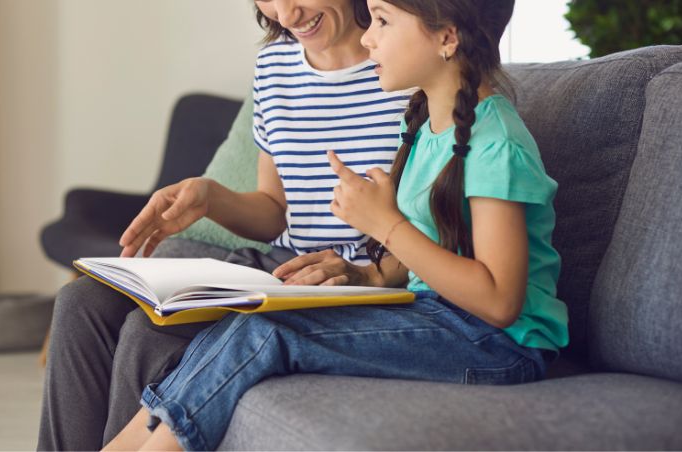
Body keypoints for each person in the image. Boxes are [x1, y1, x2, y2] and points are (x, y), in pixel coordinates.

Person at [103, 0, 569, 450]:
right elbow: (432, 259)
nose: (367, 37)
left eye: (382, 20)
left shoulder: (495, 145)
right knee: (249, 322)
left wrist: (386, 226)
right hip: (441, 317)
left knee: (266, 335)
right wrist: (373, 268)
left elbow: (499, 301)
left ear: (447, 37)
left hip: (498, 346)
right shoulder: (431, 128)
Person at [37, 0, 411, 449]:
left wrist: (370, 271)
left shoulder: (404, 64)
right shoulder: (275, 65)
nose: (285, 15)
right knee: (79, 302)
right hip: (281, 267)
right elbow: (274, 209)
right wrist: (210, 197)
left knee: (146, 333)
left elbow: (435, 229)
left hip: (350, 278)